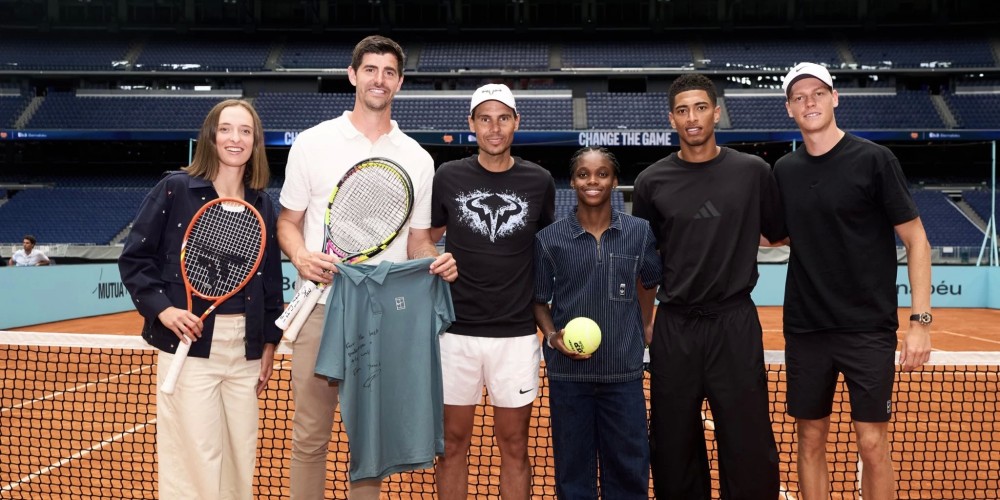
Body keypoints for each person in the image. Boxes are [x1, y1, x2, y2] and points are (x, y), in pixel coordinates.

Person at [276, 35, 457, 499]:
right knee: (309, 435)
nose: (380, 79)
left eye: (389, 72)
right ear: (353, 75)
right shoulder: (313, 143)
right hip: (320, 309)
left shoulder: (418, 158)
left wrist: (433, 262)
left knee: (370, 443)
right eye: (371, 70)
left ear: (399, 82)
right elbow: (288, 223)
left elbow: (417, 241)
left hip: (382, 316)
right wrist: (300, 256)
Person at [775, 62, 932, 500]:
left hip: (867, 328)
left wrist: (920, 320)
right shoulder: (784, 170)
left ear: (835, 98)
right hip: (806, 329)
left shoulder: (875, 160)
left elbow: (917, 240)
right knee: (809, 439)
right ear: (789, 109)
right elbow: (774, 232)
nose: (810, 102)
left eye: (818, 93)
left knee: (871, 442)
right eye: (800, 97)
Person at [118, 98, 283, 499]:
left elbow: (270, 279)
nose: (235, 138)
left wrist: (268, 341)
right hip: (190, 348)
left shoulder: (262, 202)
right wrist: (166, 310)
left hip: (244, 349)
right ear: (210, 136)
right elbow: (135, 258)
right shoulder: (175, 188)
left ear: (255, 143)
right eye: (226, 129)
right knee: (194, 459)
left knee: (240, 457)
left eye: (245, 131)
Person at [631, 73, 783, 500]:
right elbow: (649, 262)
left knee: (748, 441)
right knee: (673, 442)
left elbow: (780, 232)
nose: (691, 118)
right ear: (671, 119)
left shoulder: (753, 172)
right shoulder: (651, 182)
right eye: (682, 110)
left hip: (734, 323)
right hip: (675, 327)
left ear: (716, 112)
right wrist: (647, 323)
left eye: (700, 108)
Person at [430, 83, 555, 500]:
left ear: (516, 122)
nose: (494, 127)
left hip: (516, 335)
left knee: (516, 446)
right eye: (485, 118)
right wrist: (434, 256)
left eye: (503, 118)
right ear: (471, 124)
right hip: (455, 333)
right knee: (451, 444)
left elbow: (548, 249)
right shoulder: (448, 176)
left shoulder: (539, 181)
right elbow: (425, 238)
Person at [532, 147, 661, 499]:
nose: (593, 181)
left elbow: (648, 280)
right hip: (568, 378)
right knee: (573, 475)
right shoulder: (549, 239)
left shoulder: (640, 232)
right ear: (572, 181)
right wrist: (553, 335)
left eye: (602, 173)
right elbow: (539, 301)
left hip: (623, 374)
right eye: (584, 174)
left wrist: (645, 325)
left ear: (615, 181)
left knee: (629, 470)